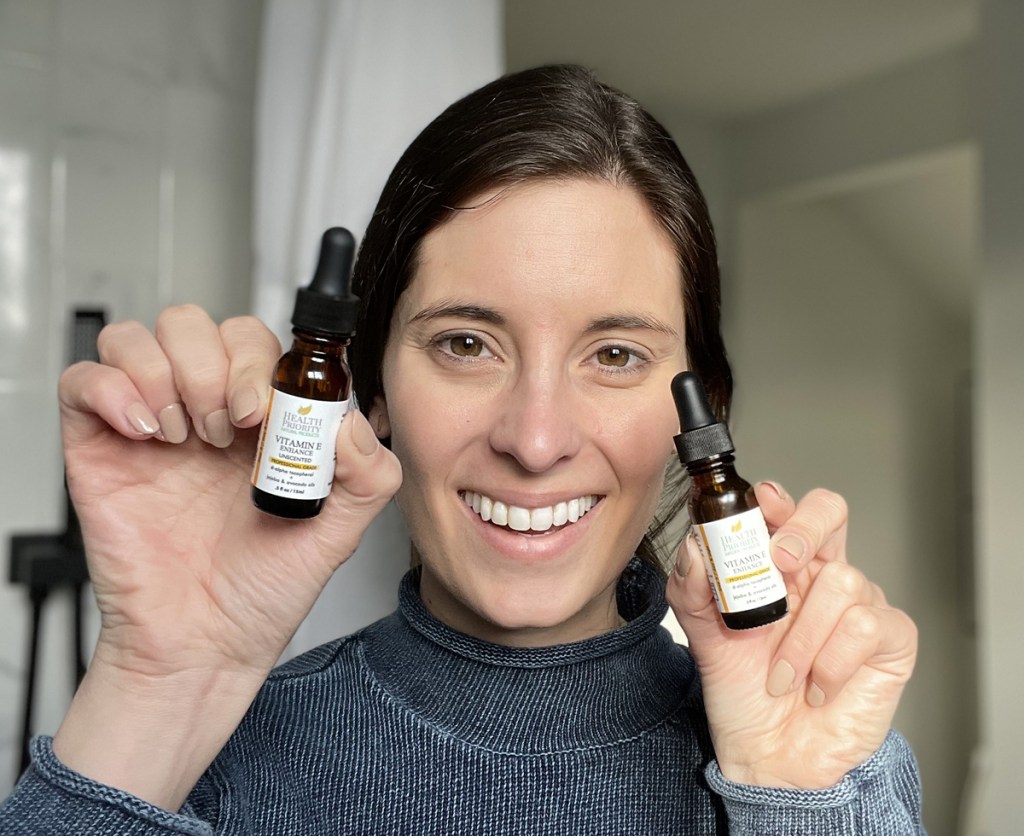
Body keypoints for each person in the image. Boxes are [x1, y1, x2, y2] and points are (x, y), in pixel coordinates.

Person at [0, 64, 923, 834]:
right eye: (465, 344)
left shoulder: (826, 768)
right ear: (371, 389)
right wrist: (160, 685)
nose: (534, 439)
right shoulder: (203, 756)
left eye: (614, 354)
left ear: (701, 410)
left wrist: (797, 805)